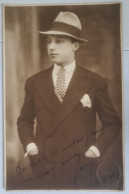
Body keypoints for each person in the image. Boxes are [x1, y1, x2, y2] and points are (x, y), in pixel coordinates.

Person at [17, 11, 121, 189]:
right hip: (44, 169)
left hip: (81, 168)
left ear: (75, 46)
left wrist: (94, 150)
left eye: (59, 41)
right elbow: (24, 121)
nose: (51, 47)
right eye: (49, 41)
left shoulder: (94, 81)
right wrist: (31, 146)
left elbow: (112, 123)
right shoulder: (34, 82)